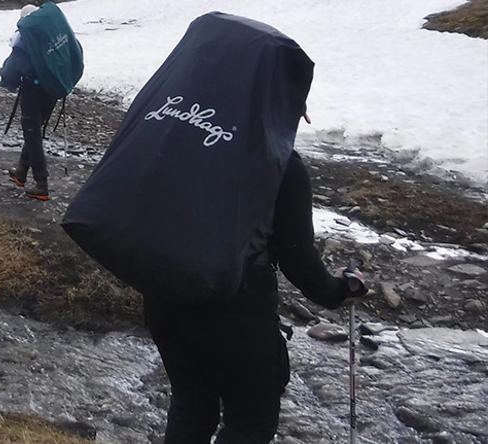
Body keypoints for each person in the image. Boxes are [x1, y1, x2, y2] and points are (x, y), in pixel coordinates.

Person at [143, 150, 367, 442]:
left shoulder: (184, 134)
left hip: (164, 295)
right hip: (236, 308)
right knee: (251, 422)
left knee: (192, 408)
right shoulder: (279, 159)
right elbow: (297, 259)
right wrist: (339, 290)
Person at [0, 4, 55, 200]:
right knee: (34, 133)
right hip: (51, 93)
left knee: (33, 136)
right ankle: (21, 173)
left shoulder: (24, 42)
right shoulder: (50, 36)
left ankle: (42, 185)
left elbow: (10, 75)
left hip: (32, 94)